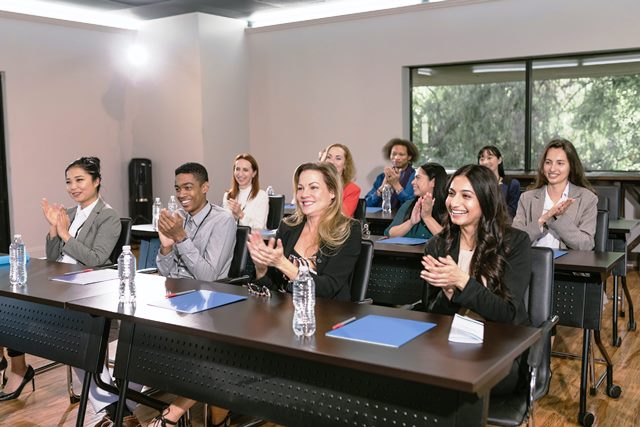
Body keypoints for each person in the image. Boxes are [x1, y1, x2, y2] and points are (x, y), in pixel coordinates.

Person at [148, 162, 361, 426]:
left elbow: (328, 288)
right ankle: (196, 418)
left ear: (332, 192)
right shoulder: (289, 227)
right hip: (282, 320)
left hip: (322, 326)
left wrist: (283, 264)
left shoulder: (348, 231)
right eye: (301, 187)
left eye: (313, 187)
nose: (304, 193)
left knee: (225, 355)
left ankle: (171, 417)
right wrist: (262, 269)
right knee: (223, 345)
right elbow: (272, 288)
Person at [0, 157, 140, 426]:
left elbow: (96, 259)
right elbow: (54, 258)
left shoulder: (108, 216)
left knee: (73, 339)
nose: (73, 187)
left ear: (97, 181)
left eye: (80, 180)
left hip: (89, 294)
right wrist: (54, 228)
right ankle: (116, 411)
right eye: (68, 182)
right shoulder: (72, 214)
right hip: (61, 288)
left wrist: (66, 235)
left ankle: (115, 412)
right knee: (11, 310)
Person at [420, 164, 531, 395]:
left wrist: (462, 282)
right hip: (449, 346)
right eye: (451, 194)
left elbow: (507, 314)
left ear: (486, 200)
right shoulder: (437, 245)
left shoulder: (515, 243)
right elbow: (431, 313)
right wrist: (449, 292)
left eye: (466, 196)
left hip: (499, 350)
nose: (454, 203)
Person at [156, 162, 236, 281]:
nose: (181, 194)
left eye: (188, 188)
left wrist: (181, 238)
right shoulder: (179, 217)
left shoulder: (223, 220)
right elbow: (164, 275)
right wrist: (166, 248)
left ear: (204, 188)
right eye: (178, 189)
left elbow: (208, 277)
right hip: (173, 291)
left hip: (204, 294)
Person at [512, 138, 597, 250]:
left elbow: (586, 245)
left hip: (566, 265)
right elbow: (514, 241)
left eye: (560, 163)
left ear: (571, 166)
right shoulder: (527, 198)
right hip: (531, 263)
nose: (552, 168)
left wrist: (560, 217)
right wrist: (542, 220)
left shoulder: (587, 199)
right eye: (548, 162)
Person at [384, 163, 447, 239]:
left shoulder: (449, 207)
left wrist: (427, 217)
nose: (412, 182)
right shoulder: (410, 204)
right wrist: (411, 222)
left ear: (433, 182)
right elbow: (390, 233)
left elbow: (449, 241)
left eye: (418, 178)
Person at [364, 138, 419, 209]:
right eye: (394, 154)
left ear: (409, 157)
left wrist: (396, 185)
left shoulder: (415, 176)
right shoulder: (382, 176)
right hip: (380, 218)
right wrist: (382, 189)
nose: (396, 157)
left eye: (401, 155)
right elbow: (366, 204)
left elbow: (411, 204)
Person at [222, 154, 269, 229]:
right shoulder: (228, 195)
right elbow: (224, 225)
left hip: (251, 239)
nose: (240, 174)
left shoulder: (261, 196)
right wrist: (233, 218)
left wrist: (241, 215)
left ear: (254, 173)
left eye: (245, 170)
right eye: (237, 169)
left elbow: (260, 228)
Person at [477, 145, 520, 218]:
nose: (485, 162)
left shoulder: (512, 184)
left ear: (499, 160)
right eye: (482, 159)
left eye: (489, 158)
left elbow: (512, 212)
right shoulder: (475, 183)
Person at [321, 143, 361, 217]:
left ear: (345, 165)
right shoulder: (312, 184)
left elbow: (342, 216)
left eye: (338, 158)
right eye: (328, 157)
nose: (332, 162)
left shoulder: (352, 189)